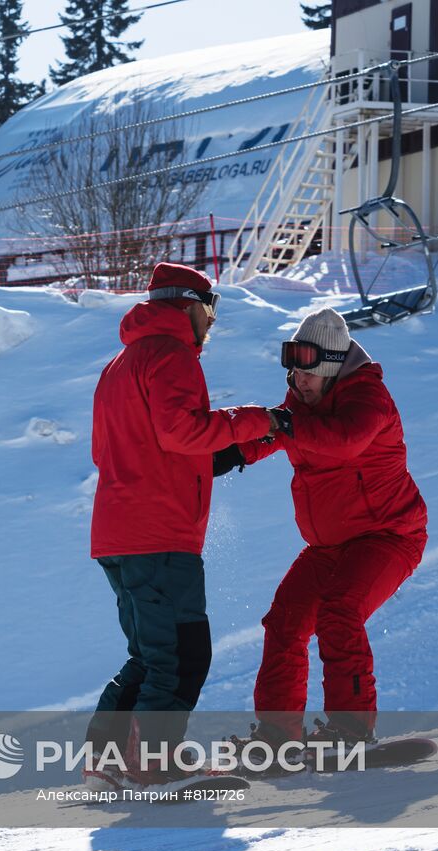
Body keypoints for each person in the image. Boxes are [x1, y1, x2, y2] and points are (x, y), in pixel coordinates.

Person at [85, 262, 282, 787]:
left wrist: (254, 442)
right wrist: (260, 418)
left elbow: (126, 451)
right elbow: (181, 433)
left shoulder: (120, 364)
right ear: (190, 306)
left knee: (150, 656)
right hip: (160, 536)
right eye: (210, 310)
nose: (212, 322)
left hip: (118, 534)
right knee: (181, 655)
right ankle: (153, 764)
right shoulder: (172, 355)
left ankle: (106, 761)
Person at [218, 307, 428, 754]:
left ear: (332, 365)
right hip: (329, 545)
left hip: (388, 536)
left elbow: (343, 440)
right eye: (293, 371)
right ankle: (278, 737)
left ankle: (352, 731)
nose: (298, 380)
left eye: (307, 371)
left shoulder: (369, 397)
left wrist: (284, 422)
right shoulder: (302, 400)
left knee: (339, 611)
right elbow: (278, 432)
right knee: (285, 622)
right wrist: (231, 453)